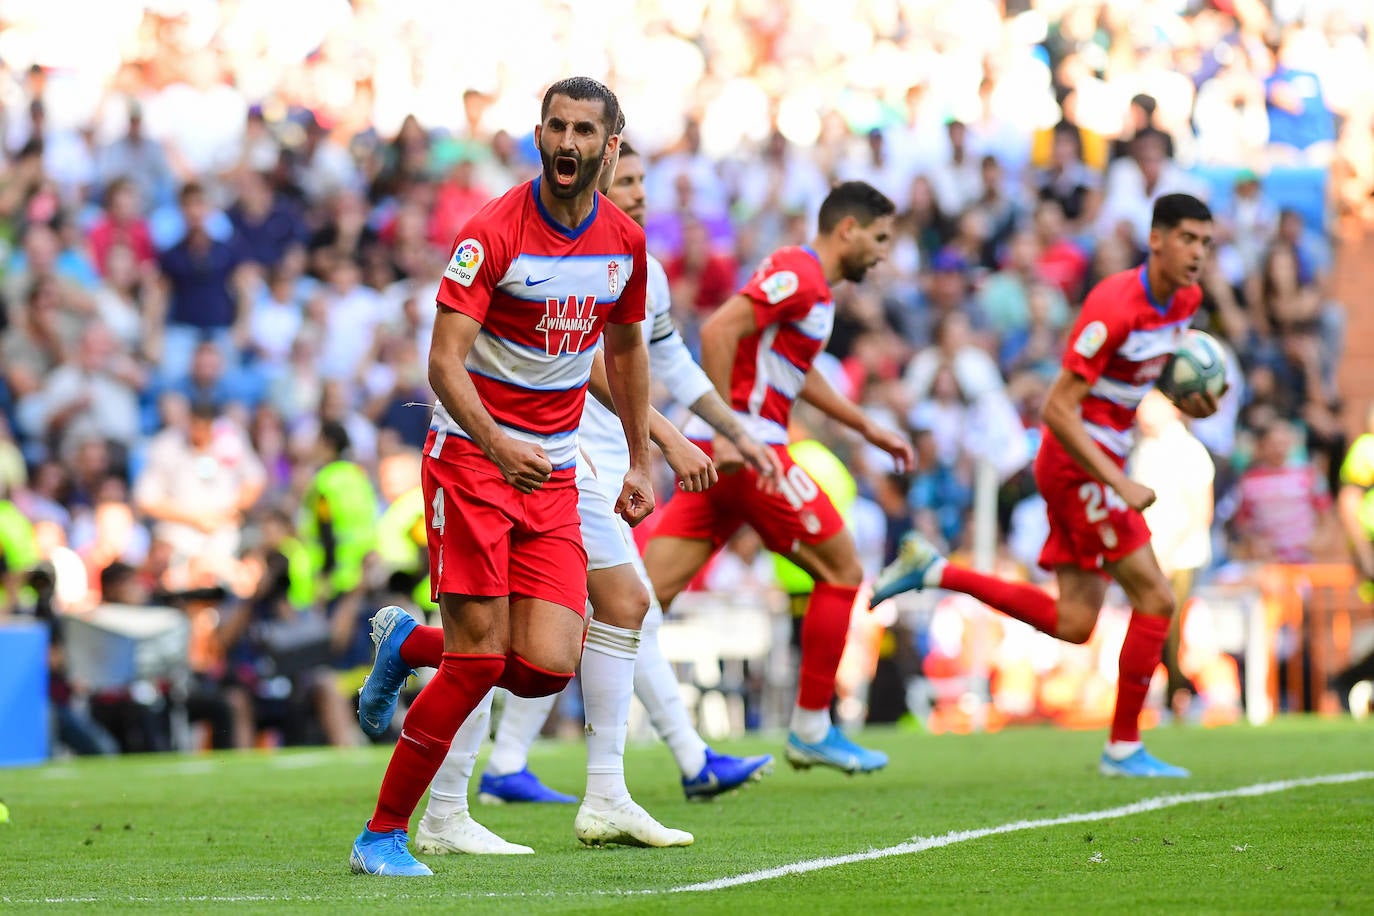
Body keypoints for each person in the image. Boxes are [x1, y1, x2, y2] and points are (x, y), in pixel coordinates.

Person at [346, 77, 657, 878]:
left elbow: (625, 351)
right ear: (539, 134)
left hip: (551, 472)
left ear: (609, 146)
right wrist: (496, 441)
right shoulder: (492, 232)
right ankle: (382, 834)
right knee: (481, 661)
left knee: (546, 664)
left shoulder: (623, 241)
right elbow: (442, 362)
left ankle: (409, 644)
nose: (567, 142)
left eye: (583, 130)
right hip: (471, 461)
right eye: (556, 126)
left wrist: (641, 456)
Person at [452, 140, 776, 822]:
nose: (638, 192)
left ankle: (519, 766)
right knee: (549, 625)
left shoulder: (637, 262)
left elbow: (667, 361)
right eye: (625, 179)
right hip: (556, 453)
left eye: (642, 179)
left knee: (589, 621)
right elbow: (590, 365)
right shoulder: (541, 244)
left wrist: (732, 431)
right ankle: (672, 762)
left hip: (593, 457)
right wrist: (663, 439)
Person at [872, 193, 1220, 778]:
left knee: (1075, 623)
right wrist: (1119, 481)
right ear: (1156, 239)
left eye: (1206, 242)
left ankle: (935, 571)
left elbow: (1143, 372)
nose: (1198, 253)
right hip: (1076, 464)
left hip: (1103, 462)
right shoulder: (1113, 304)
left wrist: (1188, 399)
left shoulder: (1186, 301)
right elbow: (1058, 409)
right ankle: (1124, 747)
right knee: (1157, 599)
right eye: (1187, 238)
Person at [642, 180, 914, 774]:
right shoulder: (801, 272)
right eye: (879, 238)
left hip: (726, 453)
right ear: (848, 229)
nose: (883, 253)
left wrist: (866, 427)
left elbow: (796, 370)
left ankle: (512, 737)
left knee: (634, 607)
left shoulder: (814, 288)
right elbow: (720, 329)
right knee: (843, 571)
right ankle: (812, 727)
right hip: (751, 452)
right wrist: (732, 431)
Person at [1333, 405, 1374, 717]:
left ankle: (1351, 681)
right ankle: (1350, 681)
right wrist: (1364, 554)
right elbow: (1349, 502)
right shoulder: (1366, 449)